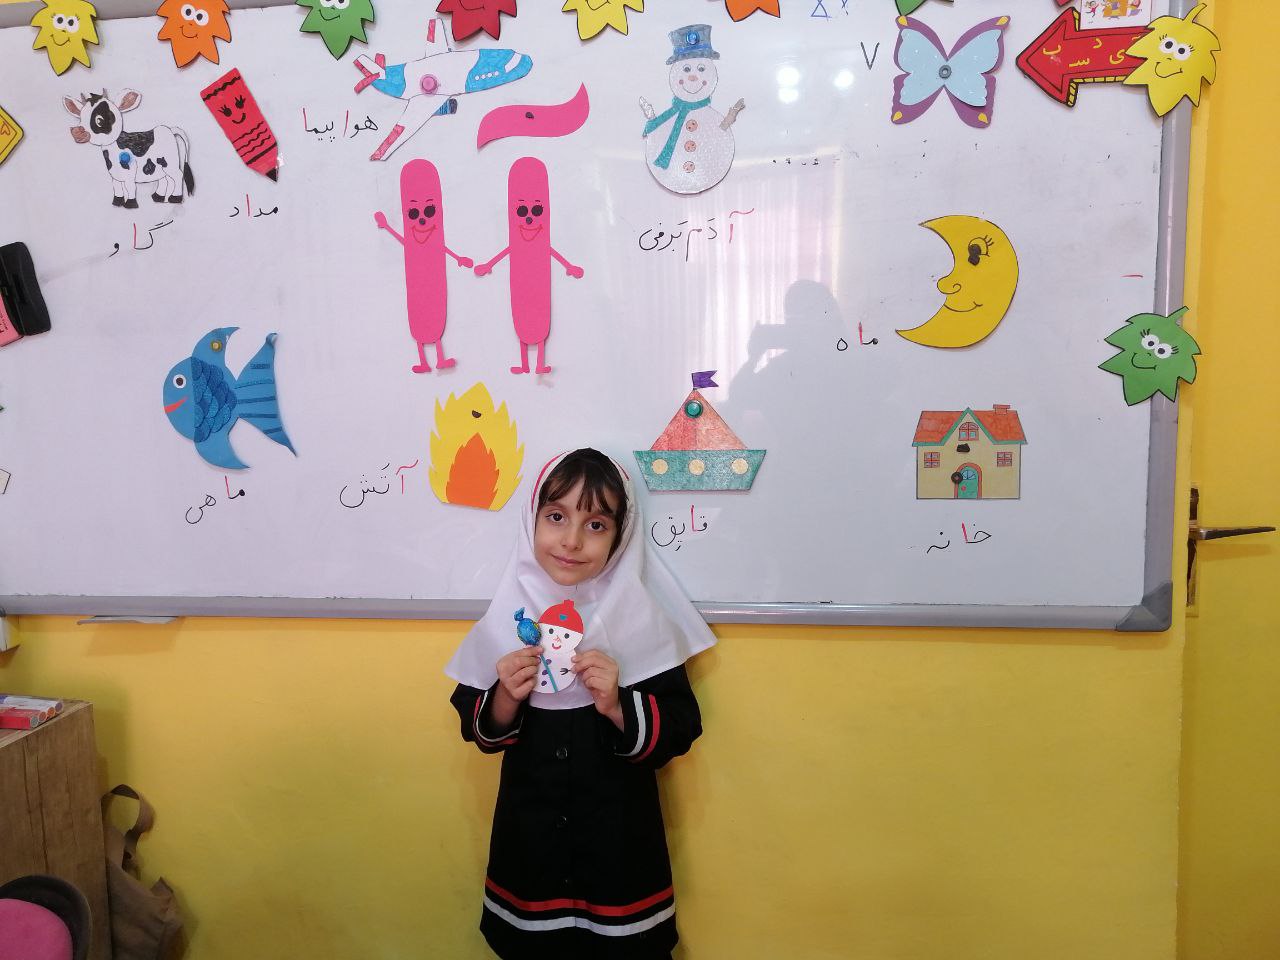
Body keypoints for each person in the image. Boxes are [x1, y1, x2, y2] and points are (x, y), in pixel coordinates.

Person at [446, 447, 717, 959]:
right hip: (530, 852)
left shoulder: (641, 619)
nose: (571, 540)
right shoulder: (508, 618)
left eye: (595, 524)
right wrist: (505, 695)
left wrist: (616, 704)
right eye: (556, 517)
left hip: (620, 853)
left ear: (620, 536)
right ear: (532, 521)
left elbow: (681, 727)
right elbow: (476, 728)